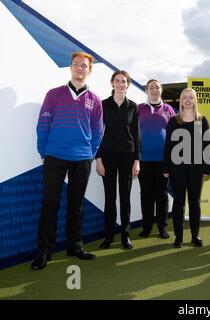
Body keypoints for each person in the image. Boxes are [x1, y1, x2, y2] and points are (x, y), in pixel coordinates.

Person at [32, 51, 103, 270]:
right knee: (50, 204)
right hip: (55, 156)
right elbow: (43, 125)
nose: (79, 68)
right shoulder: (53, 94)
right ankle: (45, 251)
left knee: (76, 205)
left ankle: (74, 245)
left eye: (84, 66)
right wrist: (44, 152)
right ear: (70, 68)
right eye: (76, 65)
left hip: (82, 159)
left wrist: (89, 153)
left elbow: (97, 131)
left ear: (89, 70)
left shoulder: (95, 100)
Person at [95, 70, 140, 250]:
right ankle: (109, 236)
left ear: (127, 85)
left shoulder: (133, 106)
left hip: (127, 157)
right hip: (108, 156)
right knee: (109, 197)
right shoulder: (103, 105)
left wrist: (137, 160)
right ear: (112, 83)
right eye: (118, 81)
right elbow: (98, 133)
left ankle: (125, 235)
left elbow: (136, 135)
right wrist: (98, 158)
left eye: (124, 81)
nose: (121, 84)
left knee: (125, 197)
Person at [162, 88, 210, 248]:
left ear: (195, 100)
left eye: (191, 97)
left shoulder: (202, 120)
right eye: (185, 97)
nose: (188, 100)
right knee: (178, 203)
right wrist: (166, 167)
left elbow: (207, 145)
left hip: (196, 168)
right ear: (181, 100)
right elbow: (168, 146)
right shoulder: (173, 121)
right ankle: (178, 237)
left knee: (194, 202)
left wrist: (207, 168)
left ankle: (195, 236)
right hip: (177, 168)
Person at [138, 79, 176, 239]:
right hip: (143, 159)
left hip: (163, 160)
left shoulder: (169, 110)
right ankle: (146, 227)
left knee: (162, 194)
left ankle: (163, 227)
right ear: (147, 90)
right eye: (151, 88)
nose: (154, 90)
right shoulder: (138, 108)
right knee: (146, 194)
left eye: (157, 87)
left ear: (161, 91)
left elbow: (175, 135)